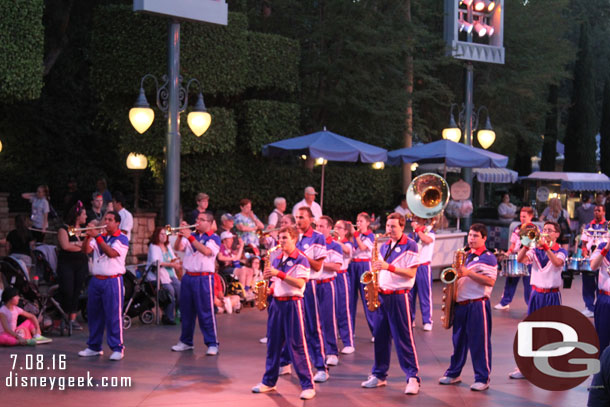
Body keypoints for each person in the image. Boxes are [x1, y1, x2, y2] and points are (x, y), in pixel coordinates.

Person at [251, 226, 316, 400]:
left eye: (285, 238)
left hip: (293, 304)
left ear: (294, 239)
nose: (281, 241)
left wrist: (278, 273)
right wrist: (267, 291)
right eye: (280, 238)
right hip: (277, 305)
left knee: (297, 345)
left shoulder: (301, 259)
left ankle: (308, 385)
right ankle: (269, 382)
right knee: (273, 345)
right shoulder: (277, 258)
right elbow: (275, 283)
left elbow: (300, 283)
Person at [360, 213, 421, 395]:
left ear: (402, 227)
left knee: (403, 338)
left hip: (399, 296)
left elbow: (411, 273)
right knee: (380, 337)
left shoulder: (411, 245)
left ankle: (412, 377)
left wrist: (388, 267)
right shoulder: (384, 245)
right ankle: (379, 375)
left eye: (393, 226)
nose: (389, 230)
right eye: (387, 226)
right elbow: (377, 268)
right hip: (382, 295)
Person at [438, 223, 497, 391]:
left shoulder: (488, 257)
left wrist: (469, 273)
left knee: (480, 342)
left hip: (477, 304)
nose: (471, 239)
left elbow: (490, 281)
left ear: (484, 238)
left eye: (475, 236)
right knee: (458, 342)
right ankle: (454, 373)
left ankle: (482, 378)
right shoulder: (465, 254)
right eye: (470, 235)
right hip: (461, 304)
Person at [509, 220, 567, 379]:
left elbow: (557, 263)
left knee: (552, 332)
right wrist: (527, 244)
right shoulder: (534, 250)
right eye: (544, 229)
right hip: (536, 295)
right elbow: (520, 259)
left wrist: (546, 247)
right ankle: (525, 367)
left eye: (550, 230)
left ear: (556, 234)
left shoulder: (561, 251)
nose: (546, 232)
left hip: (552, 295)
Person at [79, 211, 130, 361]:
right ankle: (94, 347)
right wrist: (88, 236)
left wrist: (96, 236)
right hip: (96, 280)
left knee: (113, 315)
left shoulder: (122, 238)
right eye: (105, 219)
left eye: (110, 220)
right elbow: (86, 250)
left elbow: (111, 253)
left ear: (117, 223)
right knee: (94, 314)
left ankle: (117, 348)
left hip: (112, 280)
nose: (106, 222)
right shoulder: (101, 237)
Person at [285, 206, 327, 382]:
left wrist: (300, 254)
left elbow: (318, 266)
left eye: (301, 217)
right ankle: (287, 362)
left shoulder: (318, 237)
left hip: (309, 285)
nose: (298, 221)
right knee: (291, 326)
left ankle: (321, 367)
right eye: (296, 217)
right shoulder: (294, 236)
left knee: (312, 327)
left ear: (310, 219)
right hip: (292, 286)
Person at [171, 212, 221, 355]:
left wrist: (189, 236)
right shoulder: (193, 235)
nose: (197, 221)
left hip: (204, 278)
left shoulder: (214, 238)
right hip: (188, 277)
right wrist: (181, 235)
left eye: (202, 220)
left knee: (206, 312)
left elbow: (206, 251)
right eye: (197, 219)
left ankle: (212, 343)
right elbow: (178, 248)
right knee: (186, 312)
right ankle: (186, 341)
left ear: (209, 223)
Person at [56, 202, 89, 331]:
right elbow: (65, 246)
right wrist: (80, 245)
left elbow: (87, 247)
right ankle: (63, 316)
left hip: (81, 264)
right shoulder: (65, 229)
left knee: (77, 290)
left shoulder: (80, 230)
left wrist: (78, 244)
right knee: (67, 290)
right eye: (84, 214)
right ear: (77, 216)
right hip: (67, 264)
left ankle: (73, 318)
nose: (86, 216)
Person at [494, 207, 535, 310]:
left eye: (524, 216)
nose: (522, 218)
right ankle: (505, 302)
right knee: (510, 280)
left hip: (528, 259)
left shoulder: (533, 229)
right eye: (521, 216)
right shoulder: (517, 228)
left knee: (529, 285)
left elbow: (533, 246)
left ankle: (531, 306)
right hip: (516, 258)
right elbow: (513, 244)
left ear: (531, 216)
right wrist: (507, 253)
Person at [315, 216, 342, 366]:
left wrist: (317, 263)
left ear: (329, 228)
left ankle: (332, 351)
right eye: (317, 226)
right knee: (312, 319)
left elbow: (336, 266)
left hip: (326, 284)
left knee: (328, 318)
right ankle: (317, 350)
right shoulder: (312, 243)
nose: (318, 229)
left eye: (321, 226)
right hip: (312, 284)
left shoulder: (335, 246)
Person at [348, 212, 377, 337]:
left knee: (367, 298)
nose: (358, 223)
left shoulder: (370, 236)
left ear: (367, 223)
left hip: (364, 266)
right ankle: (350, 331)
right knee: (350, 300)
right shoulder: (356, 235)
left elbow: (363, 247)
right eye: (357, 221)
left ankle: (375, 331)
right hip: (353, 265)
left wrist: (355, 235)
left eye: (361, 221)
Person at [146, 227, 182, 325]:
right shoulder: (153, 246)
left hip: (170, 274)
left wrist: (177, 262)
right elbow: (156, 262)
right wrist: (172, 264)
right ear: (157, 235)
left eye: (165, 234)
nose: (164, 236)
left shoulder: (168, 246)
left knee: (180, 288)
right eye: (161, 234)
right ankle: (168, 316)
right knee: (170, 290)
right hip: (158, 276)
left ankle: (180, 312)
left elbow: (173, 258)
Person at [408, 216, 436, 331]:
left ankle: (427, 321)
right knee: (410, 295)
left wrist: (418, 230)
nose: (415, 222)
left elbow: (426, 240)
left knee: (425, 295)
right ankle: (411, 319)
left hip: (424, 267)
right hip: (412, 267)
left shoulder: (431, 233)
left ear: (424, 220)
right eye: (415, 219)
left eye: (418, 219)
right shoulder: (412, 234)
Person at [580, 205, 608, 318]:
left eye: (599, 211)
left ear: (604, 212)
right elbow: (584, 244)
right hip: (591, 258)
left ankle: (599, 306)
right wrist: (585, 252)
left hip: (603, 258)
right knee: (587, 284)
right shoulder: (588, 226)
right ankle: (589, 307)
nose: (596, 212)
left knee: (601, 283)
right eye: (595, 210)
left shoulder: (608, 226)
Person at [333, 220, 355, 354]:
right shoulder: (331, 242)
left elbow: (347, 251)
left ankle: (348, 342)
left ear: (345, 231)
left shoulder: (346, 243)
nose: (336, 229)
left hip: (341, 277)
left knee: (343, 309)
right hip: (329, 277)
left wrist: (334, 240)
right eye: (335, 227)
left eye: (339, 228)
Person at [590, 237, 610, 355]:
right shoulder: (602, 246)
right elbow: (593, 266)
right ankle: (601, 370)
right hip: (605, 298)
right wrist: (606, 248)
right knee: (602, 336)